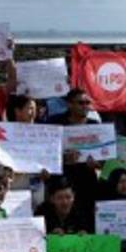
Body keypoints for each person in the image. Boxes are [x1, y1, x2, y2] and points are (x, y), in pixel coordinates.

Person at [48, 87, 103, 217]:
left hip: (87, 182)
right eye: (80, 103)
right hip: (62, 181)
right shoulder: (55, 123)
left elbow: (105, 158)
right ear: (69, 104)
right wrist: (63, 159)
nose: (85, 106)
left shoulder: (95, 126)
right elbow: (47, 152)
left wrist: (98, 164)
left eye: (87, 103)